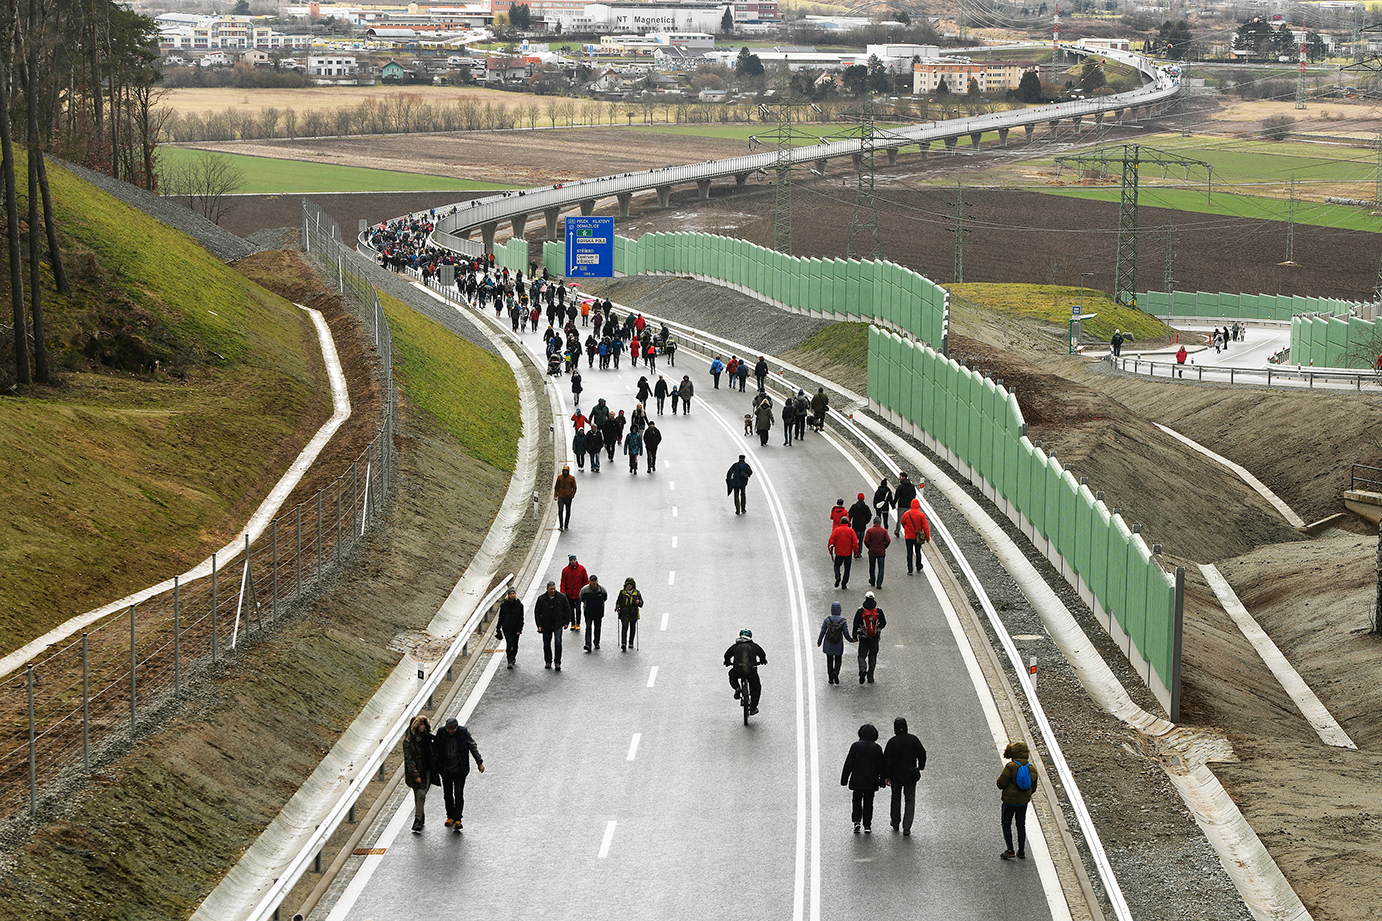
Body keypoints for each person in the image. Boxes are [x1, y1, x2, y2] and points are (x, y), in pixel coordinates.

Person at [432, 717, 484, 831]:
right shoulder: (441, 732)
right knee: (447, 794)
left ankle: (458, 818)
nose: (450, 732)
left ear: (456, 728)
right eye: (448, 730)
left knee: (458, 793)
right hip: (445, 770)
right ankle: (450, 816)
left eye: (452, 730)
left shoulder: (463, 733)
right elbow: (435, 748)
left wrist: (479, 762)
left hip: (460, 770)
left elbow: (472, 747)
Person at [882, 717, 927, 835]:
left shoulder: (892, 742)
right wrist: (921, 766)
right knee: (910, 800)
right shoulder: (913, 739)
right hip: (910, 775)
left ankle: (895, 822)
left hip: (895, 776)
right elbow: (922, 753)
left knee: (895, 799)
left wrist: (886, 776)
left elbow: (886, 760)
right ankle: (907, 826)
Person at [841, 723, 885, 834]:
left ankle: (856, 821)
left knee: (856, 800)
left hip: (857, 779)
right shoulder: (877, 748)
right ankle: (867, 824)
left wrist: (844, 779)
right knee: (868, 802)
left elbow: (849, 764)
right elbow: (881, 766)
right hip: (871, 780)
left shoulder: (855, 746)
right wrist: (882, 780)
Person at [998, 741, 1038, 860]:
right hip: (1023, 803)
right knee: (1021, 824)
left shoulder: (1011, 767)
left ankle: (1010, 850)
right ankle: (1021, 851)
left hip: (1009, 802)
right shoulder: (1031, 768)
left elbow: (1000, 784)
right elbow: (1033, 788)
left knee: (1006, 824)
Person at [402, 715, 435, 834]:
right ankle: (420, 818)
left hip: (426, 771)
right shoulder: (408, 742)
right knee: (418, 795)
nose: (423, 727)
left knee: (420, 795)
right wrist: (416, 775)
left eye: (424, 725)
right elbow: (409, 760)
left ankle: (418, 821)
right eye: (421, 725)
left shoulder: (427, 739)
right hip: (415, 774)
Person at [724, 628, 767, 714]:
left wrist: (727, 662)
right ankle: (753, 707)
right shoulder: (754, 646)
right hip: (751, 671)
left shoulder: (736, 646)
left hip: (738, 671)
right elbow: (762, 654)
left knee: (731, 674)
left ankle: (737, 687)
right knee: (756, 687)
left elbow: (727, 655)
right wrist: (763, 660)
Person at [534, 580, 572, 670]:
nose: (553, 590)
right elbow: (537, 612)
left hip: (558, 624)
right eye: (551, 589)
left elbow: (567, 610)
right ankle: (548, 661)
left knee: (558, 642)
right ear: (547, 589)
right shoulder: (541, 599)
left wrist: (566, 622)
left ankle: (558, 662)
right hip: (546, 625)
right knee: (547, 643)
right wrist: (539, 625)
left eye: (554, 588)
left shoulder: (561, 597)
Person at [817, 601, 854, 685]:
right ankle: (836, 672)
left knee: (829, 660)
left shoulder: (827, 620)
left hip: (828, 644)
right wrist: (851, 640)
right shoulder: (842, 621)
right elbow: (846, 633)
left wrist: (819, 642)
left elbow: (822, 631)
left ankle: (830, 678)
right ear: (840, 610)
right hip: (838, 644)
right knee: (838, 659)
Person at [854, 592, 887, 683]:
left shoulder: (861, 610)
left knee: (861, 655)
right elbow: (883, 623)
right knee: (873, 655)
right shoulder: (878, 611)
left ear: (865, 598)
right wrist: (878, 628)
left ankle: (862, 669)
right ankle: (870, 676)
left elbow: (855, 624)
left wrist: (854, 636)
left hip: (863, 637)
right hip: (875, 638)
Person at [495, 587, 524, 669]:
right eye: (511, 594)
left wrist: (519, 629)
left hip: (516, 628)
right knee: (509, 643)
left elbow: (521, 619)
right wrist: (498, 628)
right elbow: (501, 617)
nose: (512, 595)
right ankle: (509, 660)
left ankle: (513, 656)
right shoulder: (504, 605)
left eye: (513, 594)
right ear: (508, 595)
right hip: (507, 628)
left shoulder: (519, 605)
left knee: (515, 645)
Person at [900, 498, 931, 574]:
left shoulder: (906, 514)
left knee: (909, 552)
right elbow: (925, 527)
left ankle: (910, 569)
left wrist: (906, 529)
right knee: (918, 551)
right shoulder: (921, 515)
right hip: (918, 537)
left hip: (909, 536)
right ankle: (918, 565)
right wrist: (927, 537)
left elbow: (902, 522)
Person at [828, 515, 859, 590]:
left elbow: (831, 541)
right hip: (848, 553)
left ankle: (838, 576)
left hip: (839, 553)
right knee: (847, 569)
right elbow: (855, 542)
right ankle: (844, 583)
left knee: (837, 566)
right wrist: (855, 552)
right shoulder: (851, 531)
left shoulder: (837, 530)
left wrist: (831, 551)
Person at [580, 574, 607, 652]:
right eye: (592, 581)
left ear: (597, 581)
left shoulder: (602, 590)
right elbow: (581, 598)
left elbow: (605, 598)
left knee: (597, 627)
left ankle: (596, 642)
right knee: (588, 627)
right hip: (588, 612)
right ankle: (588, 644)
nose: (594, 582)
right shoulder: (584, 590)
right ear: (590, 581)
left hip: (598, 612)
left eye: (595, 580)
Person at [560, 554, 588, 631]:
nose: (573, 561)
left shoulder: (581, 569)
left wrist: (585, 591)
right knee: (570, 609)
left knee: (578, 609)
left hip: (578, 594)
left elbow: (585, 581)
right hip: (569, 594)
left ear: (576, 560)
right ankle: (572, 623)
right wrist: (562, 592)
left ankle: (578, 623)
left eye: (574, 560)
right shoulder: (565, 570)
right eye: (571, 560)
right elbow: (563, 582)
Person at [616, 577, 644, 651]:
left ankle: (631, 642)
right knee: (624, 627)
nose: (629, 586)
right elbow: (618, 602)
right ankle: (623, 643)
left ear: (633, 585)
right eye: (627, 584)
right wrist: (618, 608)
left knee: (632, 628)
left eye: (630, 584)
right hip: (624, 613)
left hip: (633, 613)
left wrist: (639, 603)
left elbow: (641, 604)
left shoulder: (637, 593)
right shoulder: (622, 593)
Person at [864, 516, 891, 588]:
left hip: (872, 552)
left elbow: (866, 541)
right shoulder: (884, 531)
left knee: (872, 567)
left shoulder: (869, 531)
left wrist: (869, 547)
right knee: (881, 567)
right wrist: (884, 547)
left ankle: (872, 580)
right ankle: (879, 583)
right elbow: (888, 541)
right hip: (881, 552)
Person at [892, 472, 917, 537]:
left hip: (901, 505)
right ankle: (908, 532)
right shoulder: (912, 486)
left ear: (903, 477)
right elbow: (914, 495)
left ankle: (897, 531)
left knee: (899, 519)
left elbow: (897, 496)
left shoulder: (901, 486)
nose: (899, 478)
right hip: (909, 505)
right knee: (909, 520)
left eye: (900, 477)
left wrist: (893, 504)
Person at [554, 465, 577, 530]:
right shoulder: (560, 477)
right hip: (561, 496)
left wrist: (572, 495)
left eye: (566, 471)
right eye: (564, 470)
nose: (565, 472)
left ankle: (566, 525)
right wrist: (555, 495)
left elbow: (574, 487)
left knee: (568, 511)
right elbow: (556, 487)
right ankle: (561, 525)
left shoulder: (571, 478)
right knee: (560, 510)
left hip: (568, 497)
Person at [849, 493, 871, 558]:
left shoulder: (854, 507)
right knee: (861, 540)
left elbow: (849, 515)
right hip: (862, 527)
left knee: (854, 540)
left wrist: (849, 523)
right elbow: (869, 516)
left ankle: (855, 552)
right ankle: (859, 552)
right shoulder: (866, 508)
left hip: (855, 526)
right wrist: (865, 522)